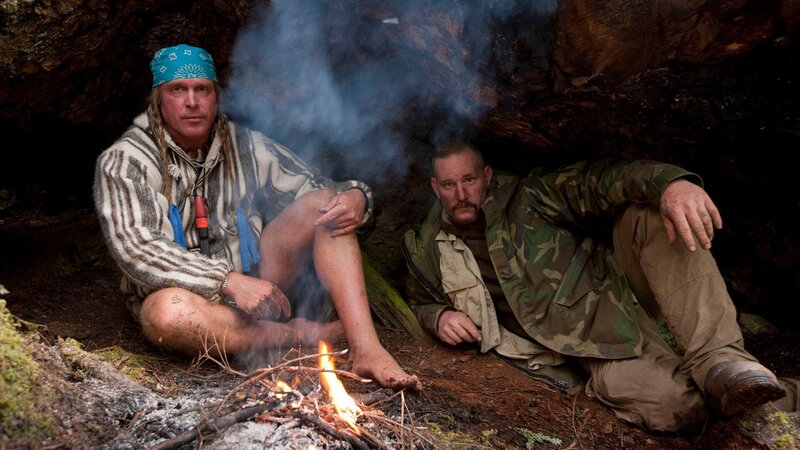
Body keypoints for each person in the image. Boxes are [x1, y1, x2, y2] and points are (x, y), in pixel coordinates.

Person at [402, 140, 799, 433]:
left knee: (649, 213)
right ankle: (781, 395)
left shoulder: (530, 196)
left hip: (616, 286)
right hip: (583, 353)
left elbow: (602, 181)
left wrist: (671, 183)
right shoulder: (426, 246)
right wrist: (438, 316)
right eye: (450, 185)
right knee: (676, 406)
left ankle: (722, 360)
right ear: (435, 188)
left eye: (469, 179)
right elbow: (419, 299)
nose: (462, 194)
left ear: (486, 176)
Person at [94, 43, 419, 391]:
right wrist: (228, 281)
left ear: (216, 96)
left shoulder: (244, 145)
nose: (192, 102)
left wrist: (357, 196)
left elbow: (320, 188)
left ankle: (366, 348)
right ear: (159, 99)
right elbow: (138, 250)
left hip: (260, 288)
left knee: (327, 206)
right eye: (178, 90)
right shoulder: (125, 162)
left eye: (202, 89)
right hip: (194, 304)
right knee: (164, 314)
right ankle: (294, 336)